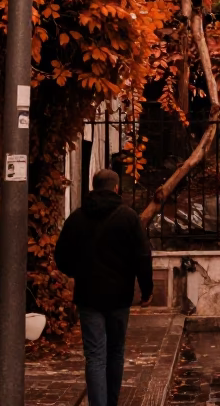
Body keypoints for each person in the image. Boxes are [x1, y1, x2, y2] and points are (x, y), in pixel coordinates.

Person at [56, 169, 153, 406]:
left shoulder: (77, 217)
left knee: (95, 356)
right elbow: (143, 256)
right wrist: (146, 290)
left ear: (94, 186)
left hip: (88, 296)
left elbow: (61, 256)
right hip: (119, 296)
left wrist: (77, 273)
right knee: (116, 351)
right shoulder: (129, 217)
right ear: (116, 188)